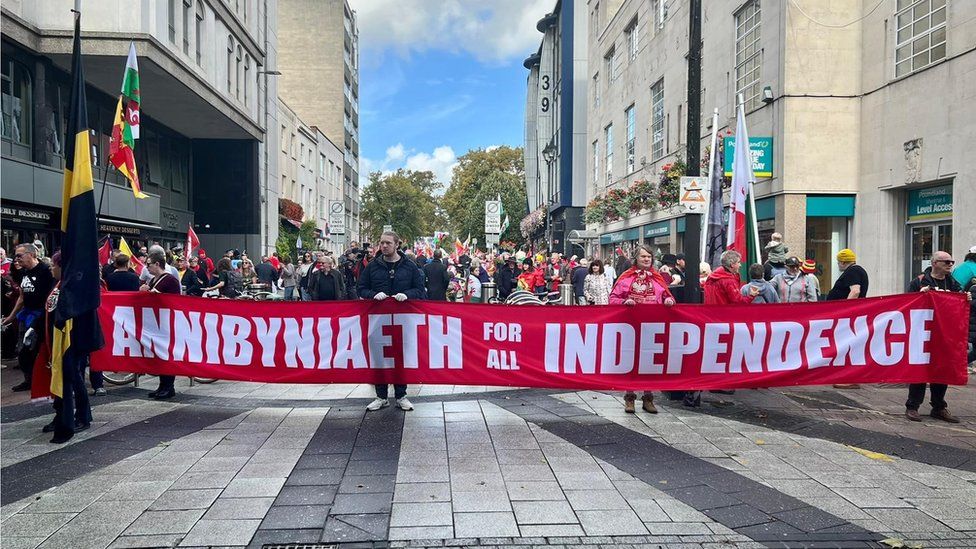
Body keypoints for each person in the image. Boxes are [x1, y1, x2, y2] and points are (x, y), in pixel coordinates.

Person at [358, 231, 426, 411]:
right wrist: (373, 295)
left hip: (403, 321)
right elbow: (361, 288)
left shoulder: (410, 266)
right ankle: (381, 396)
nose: (384, 246)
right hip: (378, 321)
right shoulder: (372, 266)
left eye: (388, 243)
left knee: (400, 358)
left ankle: (401, 395)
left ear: (397, 244)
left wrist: (407, 295)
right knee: (379, 359)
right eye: (382, 243)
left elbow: (420, 290)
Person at [609, 245, 675, 413]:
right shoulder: (626, 277)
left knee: (649, 363)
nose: (646, 259)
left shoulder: (657, 277)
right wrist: (624, 302)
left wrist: (668, 300)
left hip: (652, 326)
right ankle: (629, 397)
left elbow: (667, 295)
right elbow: (613, 298)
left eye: (649, 257)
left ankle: (648, 397)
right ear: (636, 259)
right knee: (631, 362)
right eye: (643, 256)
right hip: (631, 327)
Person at [905, 250, 969, 423]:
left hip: (943, 336)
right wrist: (920, 295)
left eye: (951, 262)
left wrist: (966, 298)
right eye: (946, 262)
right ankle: (912, 406)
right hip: (923, 335)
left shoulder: (953, 284)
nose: (950, 265)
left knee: (942, 370)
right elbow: (907, 304)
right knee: (921, 370)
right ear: (934, 263)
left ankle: (939, 407)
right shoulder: (919, 282)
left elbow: (958, 305)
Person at [39, 251, 93, 443]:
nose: (51, 269)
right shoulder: (58, 285)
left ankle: (82, 416)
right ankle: (61, 414)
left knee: (74, 377)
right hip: (54, 340)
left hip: (71, 341)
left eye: (54, 265)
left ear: (62, 267)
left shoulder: (73, 288)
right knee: (64, 376)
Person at [2, 243, 55, 391]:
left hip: (40, 317)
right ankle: (29, 380)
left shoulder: (45, 271)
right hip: (26, 315)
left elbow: (50, 297)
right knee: (23, 350)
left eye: (19, 255)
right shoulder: (25, 273)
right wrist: (11, 317)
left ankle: (41, 381)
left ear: (31, 255)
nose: (16, 259)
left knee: (32, 350)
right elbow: (22, 297)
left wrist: (44, 317)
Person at [141, 253, 181, 399]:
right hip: (156, 323)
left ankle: (169, 386)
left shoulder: (170, 280)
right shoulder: (153, 280)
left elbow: (174, 300)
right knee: (159, 355)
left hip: (166, 323)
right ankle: (162, 385)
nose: (147, 267)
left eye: (149, 264)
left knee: (166, 354)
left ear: (157, 264)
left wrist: (152, 293)